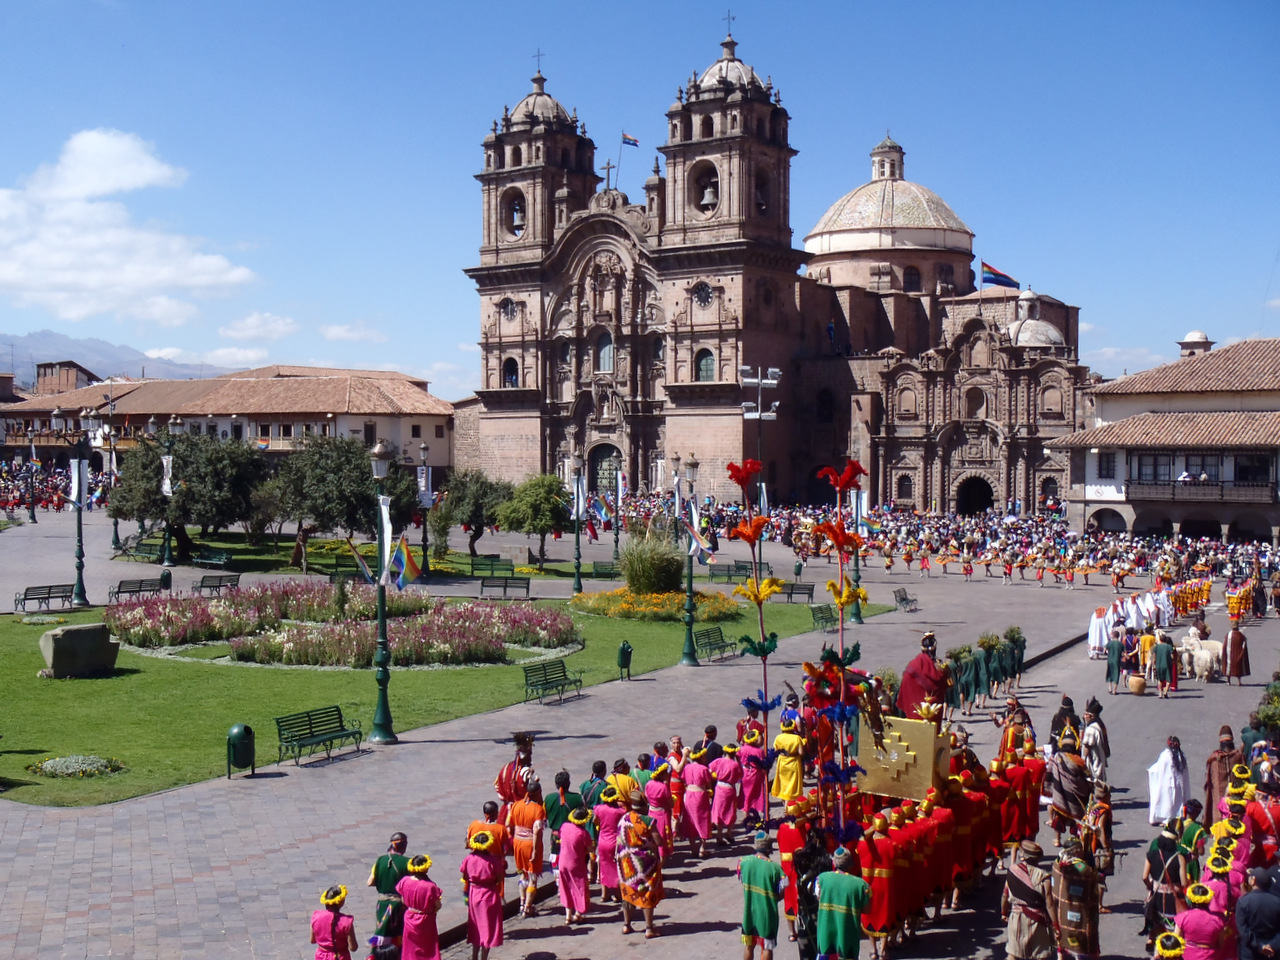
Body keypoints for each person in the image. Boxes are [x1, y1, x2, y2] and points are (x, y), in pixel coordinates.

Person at [617, 791, 664, 938]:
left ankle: (627, 925)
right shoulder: (647, 821)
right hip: (644, 864)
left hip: (626, 865)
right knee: (647, 892)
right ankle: (649, 928)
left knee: (627, 892)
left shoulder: (624, 818)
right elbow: (659, 841)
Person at [815, 846, 873, 960]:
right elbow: (867, 910)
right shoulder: (861, 885)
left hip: (825, 935)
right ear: (850, 864)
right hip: (848, 935)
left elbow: (818, 897)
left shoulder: (821, 879)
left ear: (834, 863)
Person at [1001, 840, 1055, 960]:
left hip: (1016, 918)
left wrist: (1004, 912)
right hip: (1037, 921)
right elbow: (1049, 904)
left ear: (1023, 855)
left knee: (1013, 954)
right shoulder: (1044, 876)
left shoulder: (1012, 871)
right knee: (1040, 954)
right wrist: (1055, 924)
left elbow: (1005, 895)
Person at [739, 832, 789, 960]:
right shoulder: (775, 869)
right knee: (766, 947)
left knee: (749, 945)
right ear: (769, 847)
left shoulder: (744, 862)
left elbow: (743, 881)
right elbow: (780, 895)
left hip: (749, 912)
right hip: (767, 915)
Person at [1051, 839, 1100, 959]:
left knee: (1062, 936)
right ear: (1077, 851)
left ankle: (1060, 956)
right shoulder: (1081, 867)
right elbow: (1092, 876)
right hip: (1078, 913)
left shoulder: (1057, 862)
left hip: (1061, 911)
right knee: (1080, 939)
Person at [458, 833, 505, 960]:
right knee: (488, 928)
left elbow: (465, 877)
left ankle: (474, 956)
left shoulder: (469, 859)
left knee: (475, 927)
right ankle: (484, 958)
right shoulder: (494, 860)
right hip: (490, 894)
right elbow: (500, 878)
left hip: (474, 894)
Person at [1143, 822, 1187, 950]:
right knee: (1171, 931)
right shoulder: (1179, 858)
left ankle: (1155, 946)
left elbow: (1145, 877)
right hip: (1172, 901)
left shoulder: (1151, 855)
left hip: (1156, 897)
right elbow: (1184, 883)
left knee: (1157, 928)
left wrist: (1151, 886)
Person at [509, 780, 547, 918]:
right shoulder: (538, 810)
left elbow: (509, 823)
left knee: (523, 874)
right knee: (532, 877)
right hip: (531, 844)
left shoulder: (516, 805)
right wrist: (536, 851)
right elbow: (537, 831)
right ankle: (528, 907)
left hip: (517, 843)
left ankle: (522, 902)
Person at [367, 832, 409, 949]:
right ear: (404, 846)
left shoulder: (380, 860)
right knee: (396, 935)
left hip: (382, 904)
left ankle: (376, 954)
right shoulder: (407, 862)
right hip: (398, 906)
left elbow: (370, 882)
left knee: (381, 931)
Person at [396, 855, 443, 960]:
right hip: (426, 919)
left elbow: (403, 901)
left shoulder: (405, 881)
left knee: (410, 946)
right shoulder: (430, 886)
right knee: (427, 947)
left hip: (410, 916)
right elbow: (438, 905)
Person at [896, 632, 949, 719]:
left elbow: (904, 686)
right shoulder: (940, 667)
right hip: (933, 715)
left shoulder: (913, 665)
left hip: (913, 714)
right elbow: (946, 687)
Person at [1175, 882, 1228, 960]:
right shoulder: (1218, 920)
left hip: (1187, 956)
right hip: (1210, 957)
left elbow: (1176, 941)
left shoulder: (1183, 917)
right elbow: (1221, 944)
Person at [1236, 866, 1280, 960]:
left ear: (1254, 880)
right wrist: (1273, 945)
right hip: (1271, 952)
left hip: (1249, 952)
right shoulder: (1277, 902)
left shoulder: (1243, 902)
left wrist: (1259, 947)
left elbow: (1243, 930)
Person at [557, 807, 592, 925]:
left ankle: (568, 916)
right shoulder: (583, 834)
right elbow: (590, 849)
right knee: (580, 887)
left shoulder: (564, 827)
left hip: (562, 862)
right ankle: (578, 913)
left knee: (566, 888)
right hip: (576, 863)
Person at [1205, 727, 1245, 827]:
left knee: (1218, 820)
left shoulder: (1214, 759)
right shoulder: (1238, 756)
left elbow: (1210, 779)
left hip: (1219, 797)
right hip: (1236, 796)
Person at [1150, 736, 1193, 826]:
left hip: (1167, 783)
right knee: (1176, 802)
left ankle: (1166, 818)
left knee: (1167, 801)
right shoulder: (1182, 756)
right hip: (1179, 784)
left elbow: (1159, 770)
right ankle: (1177, 816)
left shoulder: (1165, 756)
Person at [594, 784, 626, 903]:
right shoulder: (620, 812)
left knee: (603, 867)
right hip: (615, 842)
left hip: (602, 841)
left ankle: (604, 894)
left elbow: (595, 821)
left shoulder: (599, 809)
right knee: (616, 869)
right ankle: (617, 894)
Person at [311, 884, 358, 960]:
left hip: (321, 957)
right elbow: (353, 947)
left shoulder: (316, 917)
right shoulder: (346, 922)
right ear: (341, 903)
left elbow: (313, 940)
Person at [710, 744, 744, 846]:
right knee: (730, 811)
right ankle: (728, 832)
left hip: (720, 788)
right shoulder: (735, 765)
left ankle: (719, 835)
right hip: (730, 789)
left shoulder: (718, 761)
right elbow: (741, 775)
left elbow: (709, 771)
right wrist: (739, 761)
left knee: (720, 811)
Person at [771, 719, 805, 803]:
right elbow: (801, 753)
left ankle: (785, 803)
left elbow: (775, 751)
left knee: (783, 784)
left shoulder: (778, 738)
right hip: (794, 762)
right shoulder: (797, 738)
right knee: (792, 785)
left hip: (782, 762)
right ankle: (789, 805)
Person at [1079, 699, 1109, 785]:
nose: (1084, 717)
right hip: (1099, 761)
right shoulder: (1098, 725)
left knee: (1095, 785)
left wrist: (1082, 763)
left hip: (1093, 763)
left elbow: (1087, 749)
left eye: (1086, 715)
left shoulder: (1091, 729)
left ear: (1092, 716)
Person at [1224, 622, 1251, 686]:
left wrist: (1224, 653)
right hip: (1238, 655)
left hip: (1230, 655)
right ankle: (1239, 681)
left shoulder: (1228, 635)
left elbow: (1225, 644)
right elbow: (1244, 643)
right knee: (1238, 668)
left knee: (1228, 667)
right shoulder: (1240, 635)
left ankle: (1228, 681)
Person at [1153, 630, 1178, 698]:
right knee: (1168, 680)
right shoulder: (1169, 647)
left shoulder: (1156, 647)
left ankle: (1160, 693)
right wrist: (1172, 661)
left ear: (1160, 639)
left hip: (1158, 665)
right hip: (1167, 665)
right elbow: (1173, 656)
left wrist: (1154, 664)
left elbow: (1154, 657)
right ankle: (1165, 691)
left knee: (1160, 680)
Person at [1104, 628, 1123, 696]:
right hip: (1117, 660)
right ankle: (1115, 690)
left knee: (1110, 673)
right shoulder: (1120, 644)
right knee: (1116, 674)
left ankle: (1110, 688)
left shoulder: (1110, 643)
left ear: (1113, 636)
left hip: (1110, 660)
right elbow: (1124, 653)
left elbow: (1105, 650)